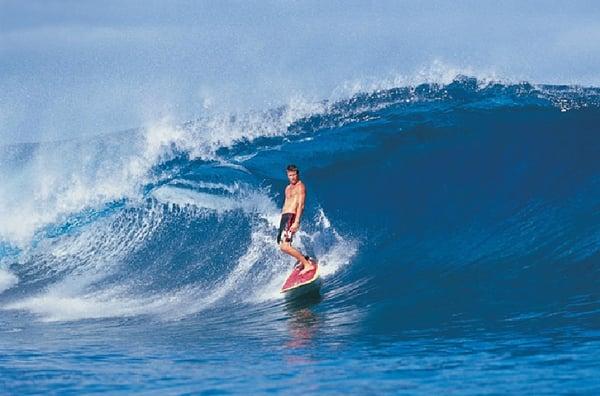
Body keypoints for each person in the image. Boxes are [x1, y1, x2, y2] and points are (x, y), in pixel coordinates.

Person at [277, 164, 315, 275]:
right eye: (290, 175)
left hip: (292, 216)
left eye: (294, 175)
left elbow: (301, 205)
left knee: (285, 246)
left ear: (297, 174)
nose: (292, 177)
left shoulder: (300, 186)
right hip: (284, 217)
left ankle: (307, 265)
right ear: (287, 175)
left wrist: (296, 221)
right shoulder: (287, 188)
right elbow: (286, 203)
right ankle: (303, 259)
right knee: (282, 246)